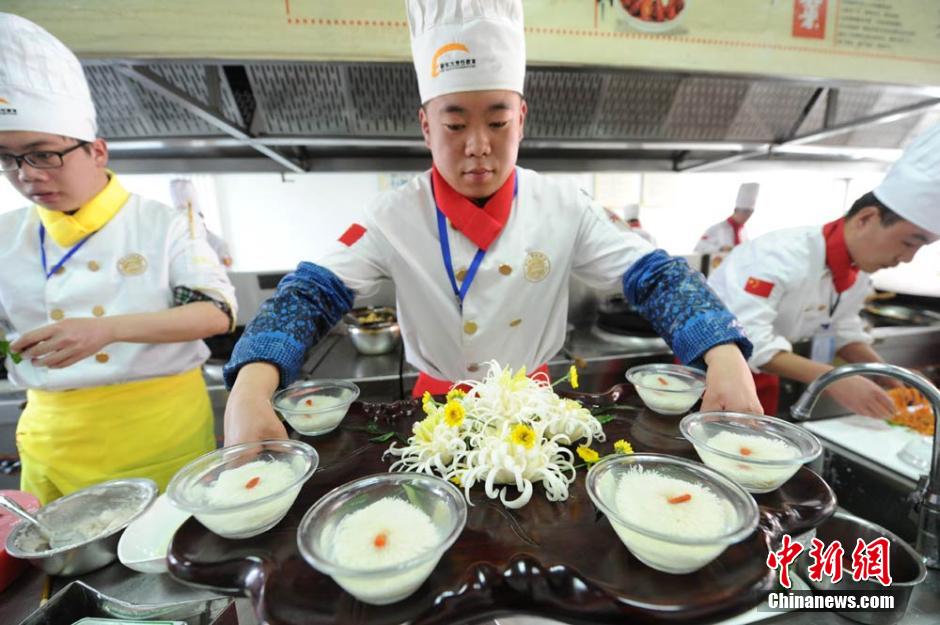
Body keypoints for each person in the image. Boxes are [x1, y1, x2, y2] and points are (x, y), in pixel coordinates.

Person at [222, 0, 761, 446]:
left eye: (498, 122)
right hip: (436, 416)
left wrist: (723, 353)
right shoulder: (392, 216)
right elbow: (309, 294)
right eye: (454, 124)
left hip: (538, 417)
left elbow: (657, 275)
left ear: (521, 119)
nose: (478, 146)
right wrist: (250, 387)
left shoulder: (565, 206)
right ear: (425, 126)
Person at [0, 14, 237, 503]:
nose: (27, 175)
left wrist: (106, 329)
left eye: (42, 153)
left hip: (159, 430)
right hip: (53, 438)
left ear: (98, 152)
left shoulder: (164, 223)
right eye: (8, 158)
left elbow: (215, 312)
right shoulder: (7, 235)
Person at [708, 124, 940, 417]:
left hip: (762, 377)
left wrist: (889, 375)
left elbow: (843, 328)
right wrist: (833, 379)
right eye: (908, 242)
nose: (907, 258)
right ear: (866, 218)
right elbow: (750, 338)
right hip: (708, 372)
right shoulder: (780, 256)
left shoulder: (857, 271)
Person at [170, 178, 234, 267]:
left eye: (191, 219)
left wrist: (225, 259)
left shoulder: (216, 243)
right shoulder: (173, 243)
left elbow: (228, 262)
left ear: (202, 218)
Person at [694, 182, 759, 269]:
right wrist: (721, 248)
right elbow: (699, 248)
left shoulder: (743, 232)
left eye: (750, 214)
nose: (747, 217)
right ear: (736, 210)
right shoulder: (716, 229)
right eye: (745, 213)